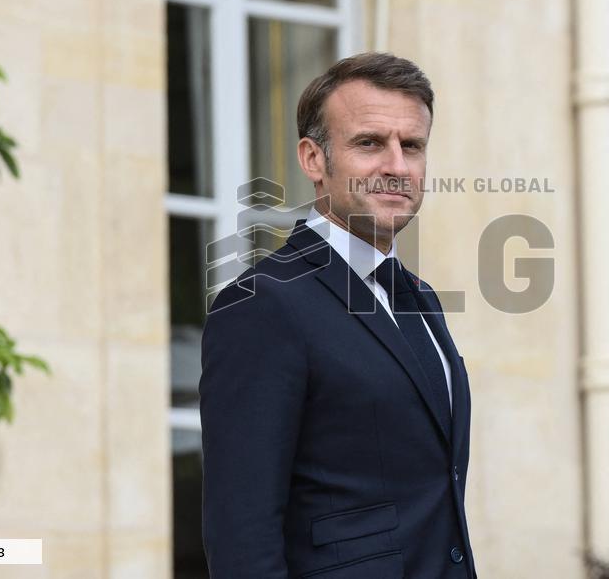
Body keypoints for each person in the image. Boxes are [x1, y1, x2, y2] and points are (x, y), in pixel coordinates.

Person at [200, 52, 475, 578]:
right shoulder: (261, 303)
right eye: (369, 143)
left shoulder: (421, 299)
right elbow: (242, 536)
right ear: (313, 160)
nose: (397, 167)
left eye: (412, 145)